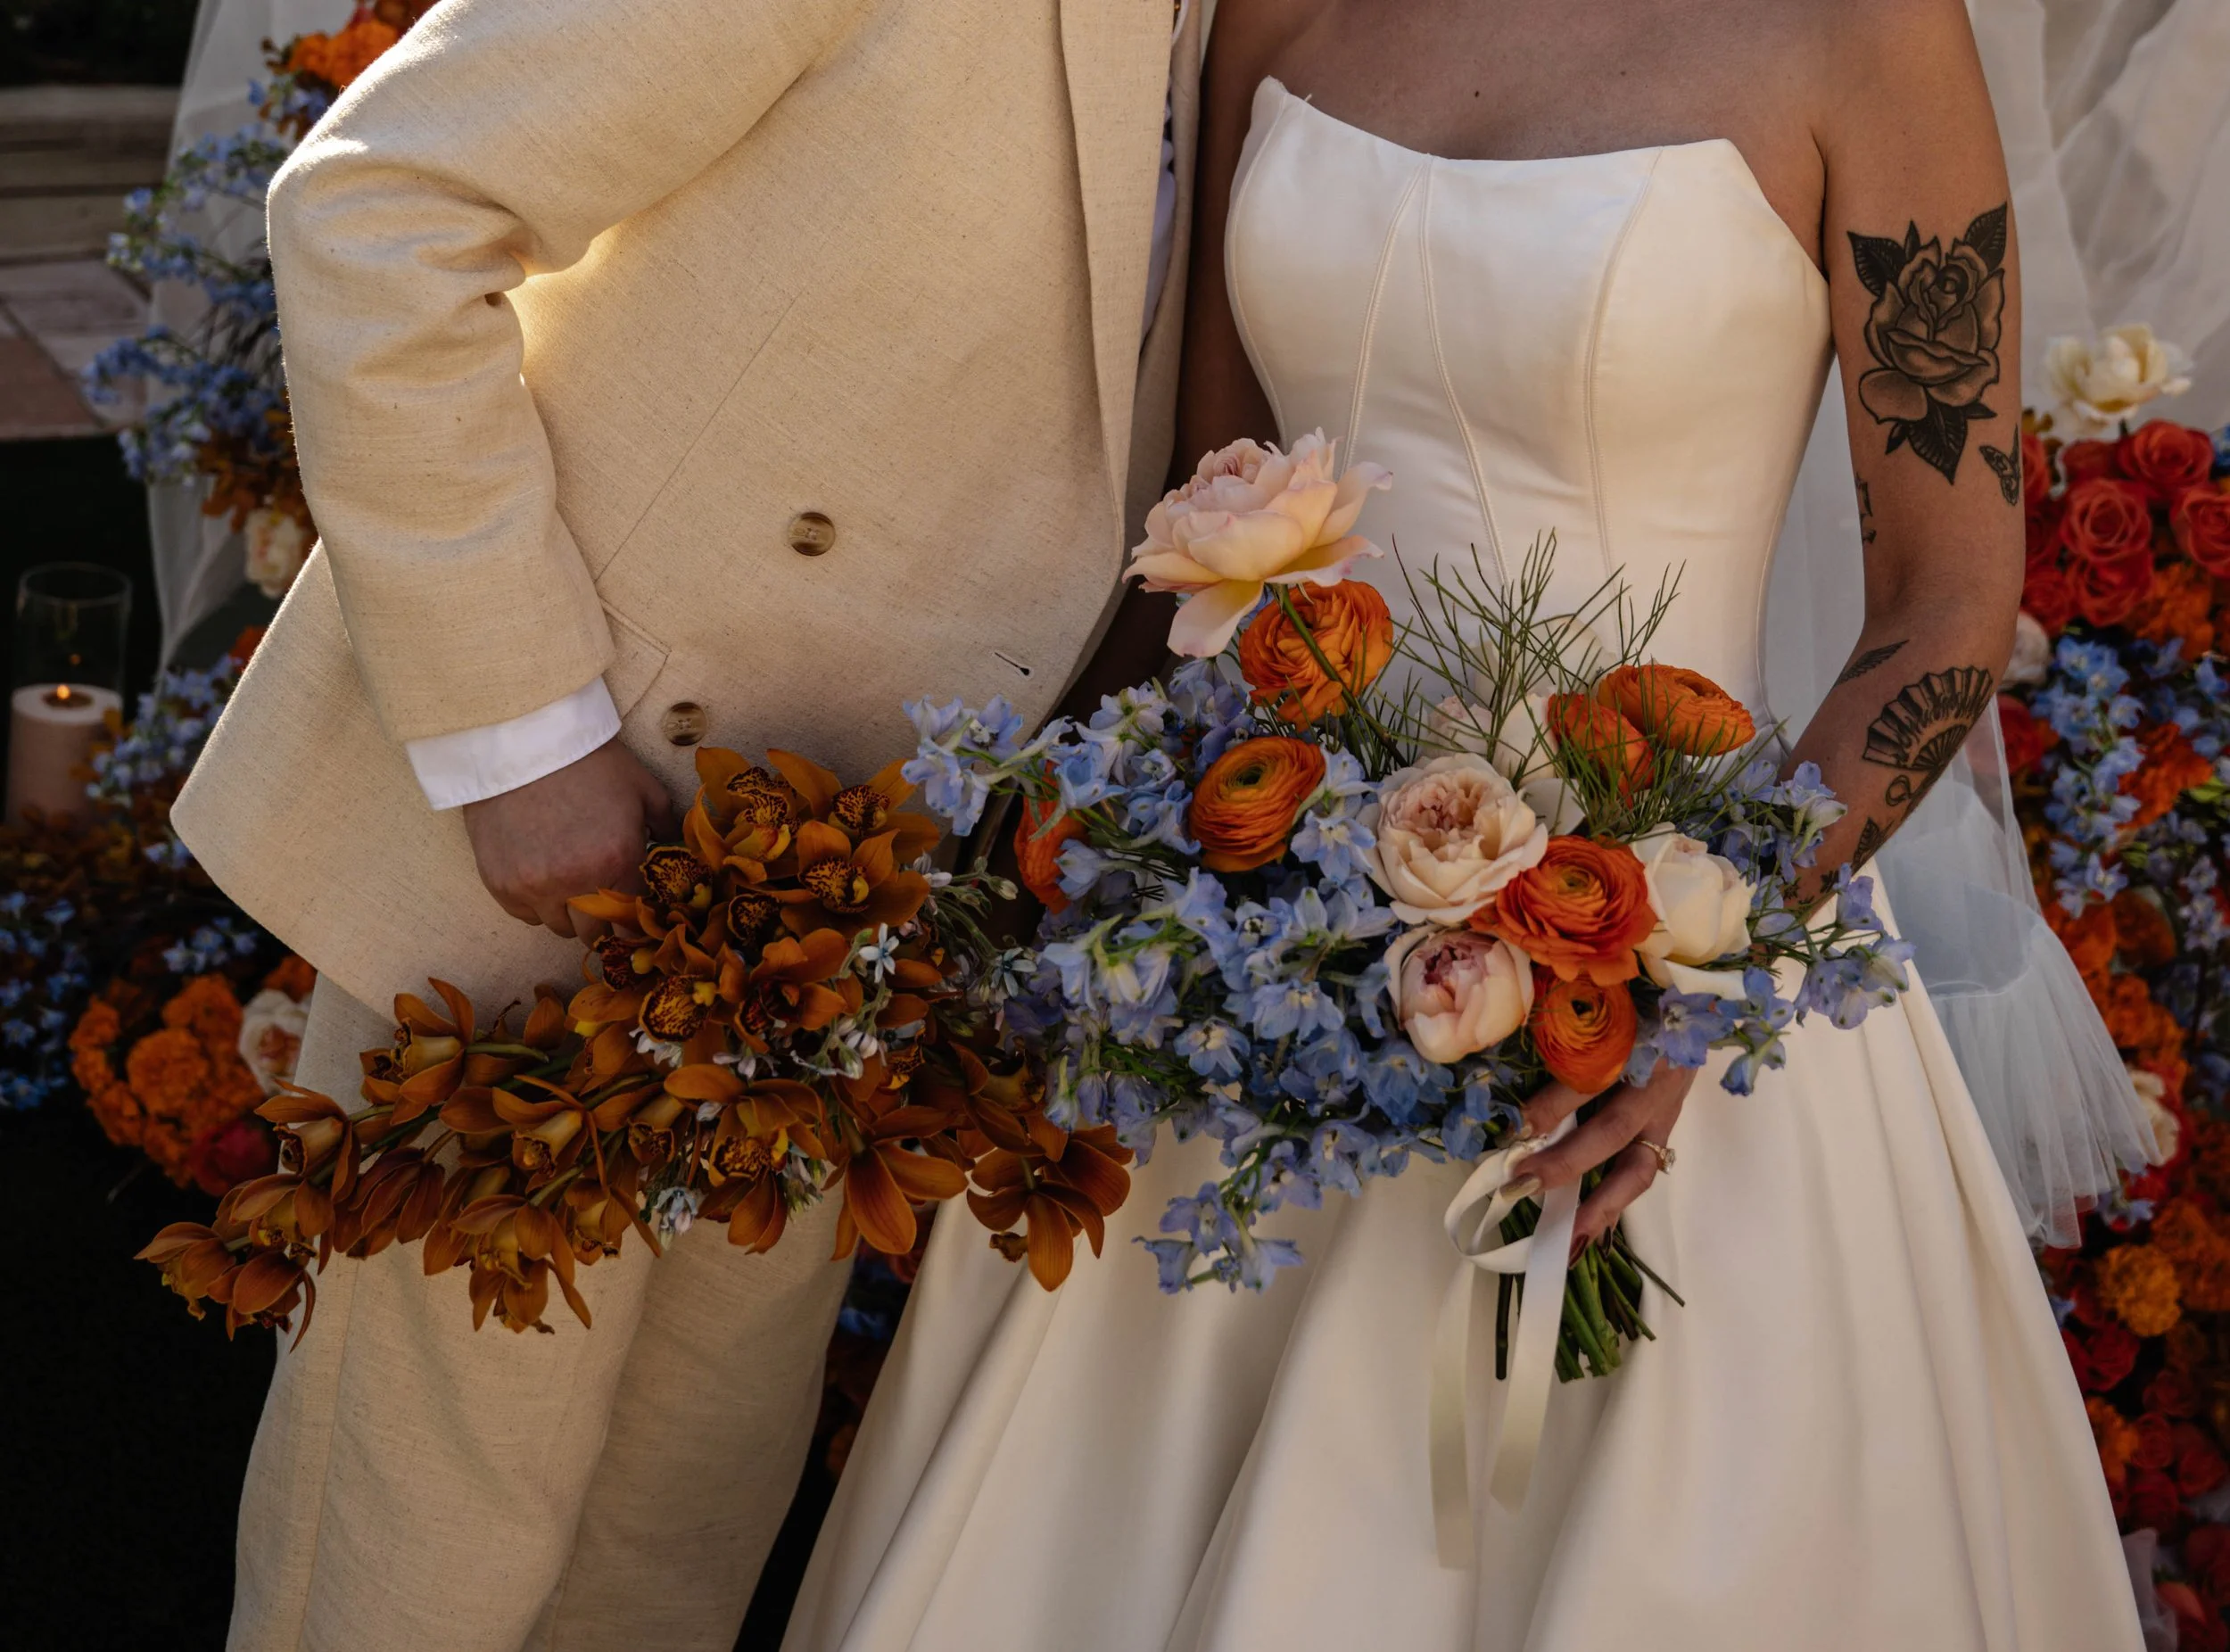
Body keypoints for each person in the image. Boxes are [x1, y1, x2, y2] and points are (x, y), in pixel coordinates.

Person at [782, 1, 2144, 1646]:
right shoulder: (1274, 4)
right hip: (1253, 951)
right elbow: (1205, 509)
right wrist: (1034, 885)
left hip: (1672, 971)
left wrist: (1694, 986)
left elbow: (1943, 602)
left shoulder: (1868, 33)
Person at [169, 1, 1205, 1648]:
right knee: (413, 1574)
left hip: (847, 912)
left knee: (672, 1550)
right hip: (564, 867)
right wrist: (523, 743)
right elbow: (377, 203)